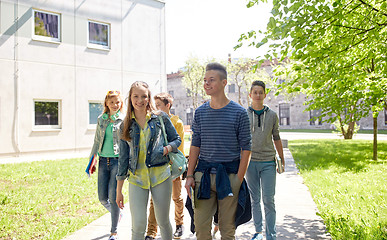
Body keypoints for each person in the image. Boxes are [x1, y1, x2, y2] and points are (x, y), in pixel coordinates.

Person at [184, 62, 252, 239]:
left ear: (224, 83)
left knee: (227, 229)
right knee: (201, 228)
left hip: (229, 177)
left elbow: (246, 148)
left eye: (211, 80)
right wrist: (190, 175)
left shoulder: (239, 113)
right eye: (205, 80)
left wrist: (238, 179)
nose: (206, 83)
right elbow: (195, 144)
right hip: (203, 176)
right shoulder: (199, 113)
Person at [116, 81, 182, 240]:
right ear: (130, 98)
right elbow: (123, 160)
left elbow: (176, 139)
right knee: (138, 225)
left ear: (149, 97)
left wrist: (167, 149)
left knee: (163, 221)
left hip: (161, 176)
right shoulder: (125, 125)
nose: (140, 100)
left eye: (144, 96)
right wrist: (119, 191)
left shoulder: (160, 117)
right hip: (137, 179)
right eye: (136, 96)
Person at [246, 80, 285, 240]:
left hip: (268, 161)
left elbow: (276, 137)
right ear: (250, 94)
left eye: (260, 92)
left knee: (269, 199)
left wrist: (281, 159)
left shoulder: (272, 115)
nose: (257, 95)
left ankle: (271, 235)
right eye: (255, 92)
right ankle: (258, 232)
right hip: (250, 162)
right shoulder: (244, 114)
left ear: (265, 94)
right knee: (255, 199)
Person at [145, 92, 185, 240]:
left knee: (176, 197)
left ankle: (179, 225)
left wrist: (177, 170)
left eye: (158, 105)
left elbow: (179, 147)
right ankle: (151, 232)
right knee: (154, 200)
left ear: (167, 106)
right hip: (157, 166)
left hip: (173, 165)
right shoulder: (152, 120)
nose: (154, 108)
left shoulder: (176, 122)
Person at [89, 90, 124, 240]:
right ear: (106, 104)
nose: (115, 105)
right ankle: (118, 215)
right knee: (102, 198)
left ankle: (113, 231)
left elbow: (126, 142)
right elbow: (97, 141)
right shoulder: (101, 119)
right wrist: (92, 160)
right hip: (103, 161)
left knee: (113, 195)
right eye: (112, 102)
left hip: (117, 161)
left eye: (117, 102)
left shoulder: (123, 120)